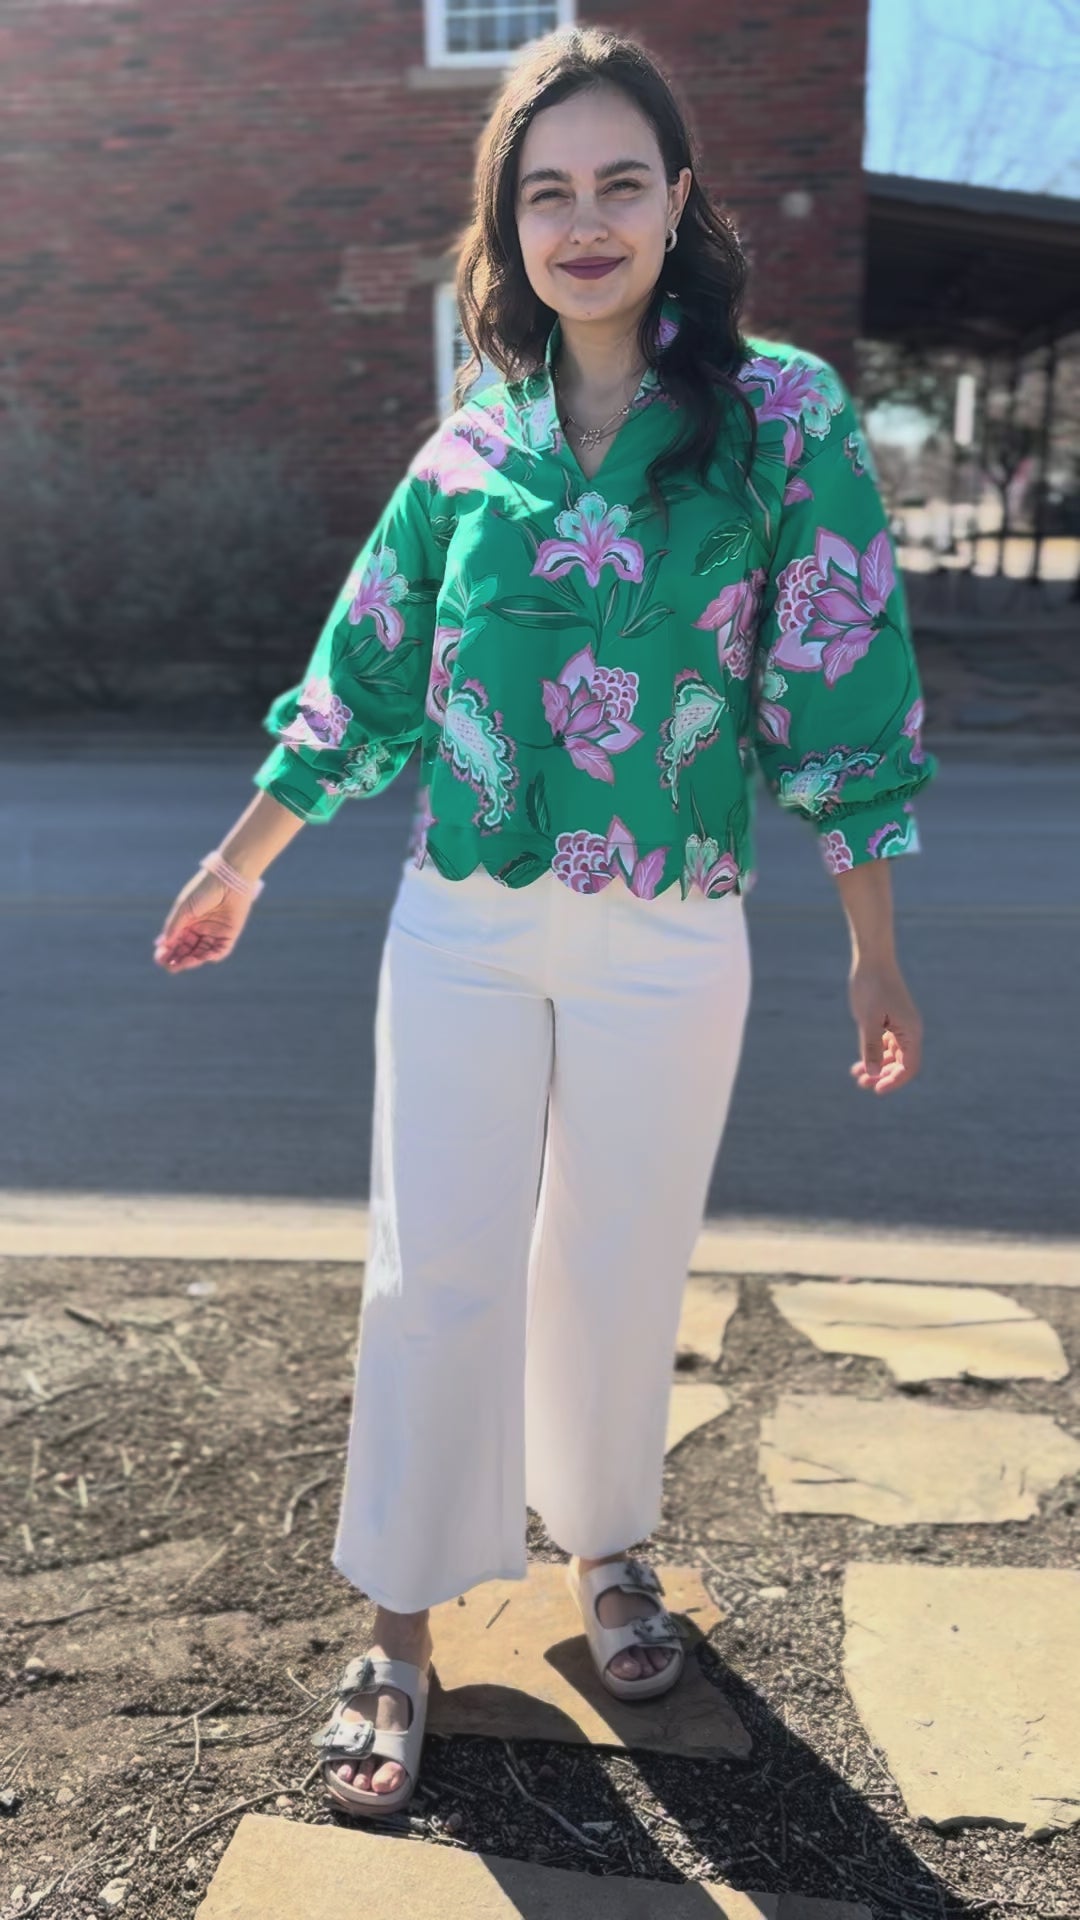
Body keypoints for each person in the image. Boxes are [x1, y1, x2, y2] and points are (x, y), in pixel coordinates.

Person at [152, 25, 935, 1821]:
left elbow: (835, 674)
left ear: (679, 203)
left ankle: (606, 1553)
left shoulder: (782, 417)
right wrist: (246, 854)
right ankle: (402, 1628)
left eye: (620, 183)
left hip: (676, 930)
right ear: (507, 225)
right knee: (438, 1266)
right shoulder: (465, 456)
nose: (585, 221)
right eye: (546, 190)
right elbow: (365, 681)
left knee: (619, 1261)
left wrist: (873, 937)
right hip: (470, 925)